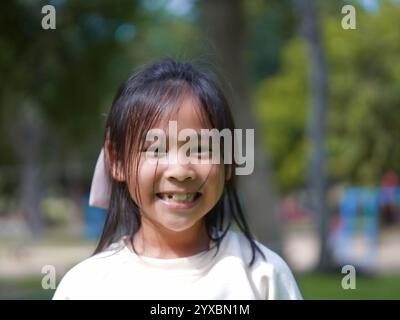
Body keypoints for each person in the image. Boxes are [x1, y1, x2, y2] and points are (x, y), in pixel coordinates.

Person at [53, 59, 302, 300]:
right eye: (156, 149)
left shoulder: (263, 276)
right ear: (117, 161)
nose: (180, 170)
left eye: (201, 148)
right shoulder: (86, 287)